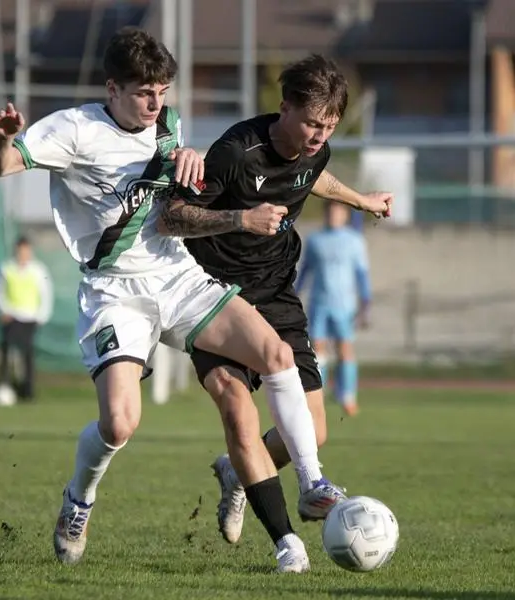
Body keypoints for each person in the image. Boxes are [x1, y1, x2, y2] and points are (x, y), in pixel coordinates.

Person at [0, 27, 340, 573]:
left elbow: (171, 177)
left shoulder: (166, 124)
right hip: (114, 291)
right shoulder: (74, 128)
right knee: (121, 423)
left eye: (163, 92)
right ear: (112, 90)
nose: (156, 104)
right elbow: (0, 167)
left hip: (175, 275)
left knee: (276, 355)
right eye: (145, 93)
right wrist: (5, 137)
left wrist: (186, 155)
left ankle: (312, 483)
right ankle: (79, 500)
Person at [158, 54, 392, 545]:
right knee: (237, 408)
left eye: (328, 126)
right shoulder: (236, 153)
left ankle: (238, 472)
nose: (319, 136)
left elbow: (313, 176)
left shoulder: (317, 149)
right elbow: (174, 217)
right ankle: (284, 535)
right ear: (284, 108)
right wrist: (240, 219)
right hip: (217, 296)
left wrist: (362, 201)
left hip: (277, 292)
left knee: (314, 430)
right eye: (311, 123)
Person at [295, 201, 372, 417]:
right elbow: (305, 271)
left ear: (345, 215)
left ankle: (347, 396)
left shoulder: (355, 241)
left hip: (345, 305)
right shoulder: (315, 240)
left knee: (345, 349)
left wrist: (366, 303)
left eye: (338, 212)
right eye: (330, 211)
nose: (334, 215)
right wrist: (294, 294)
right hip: (319, 303)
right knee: (317, 351)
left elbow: (362, 275)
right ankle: (317, 396)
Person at [0, 235, 54, 403]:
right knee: (6, 353)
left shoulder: (38, 270)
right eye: (20, 251)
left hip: (30, 318)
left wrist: (41, 316)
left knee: (27, 355)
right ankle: (4, 386)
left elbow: (46, 294)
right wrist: (4, 311)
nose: (23, 254)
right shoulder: (6, 268)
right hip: (11, 317)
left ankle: (27, 390)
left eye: (26, 251)